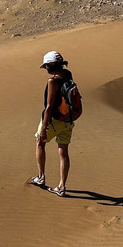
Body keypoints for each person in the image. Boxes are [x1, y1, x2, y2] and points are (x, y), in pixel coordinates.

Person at [28, 50, 76, 196]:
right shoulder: (68, 75)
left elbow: (49, 106)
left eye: (46, 66)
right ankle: (61, 187)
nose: (45, 69)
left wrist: (44, 127)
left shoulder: (52, 81)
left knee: (40, 142)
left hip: (54, 121)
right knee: (63, 152)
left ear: (50, 65)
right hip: (68, 120)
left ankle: (41, 177)